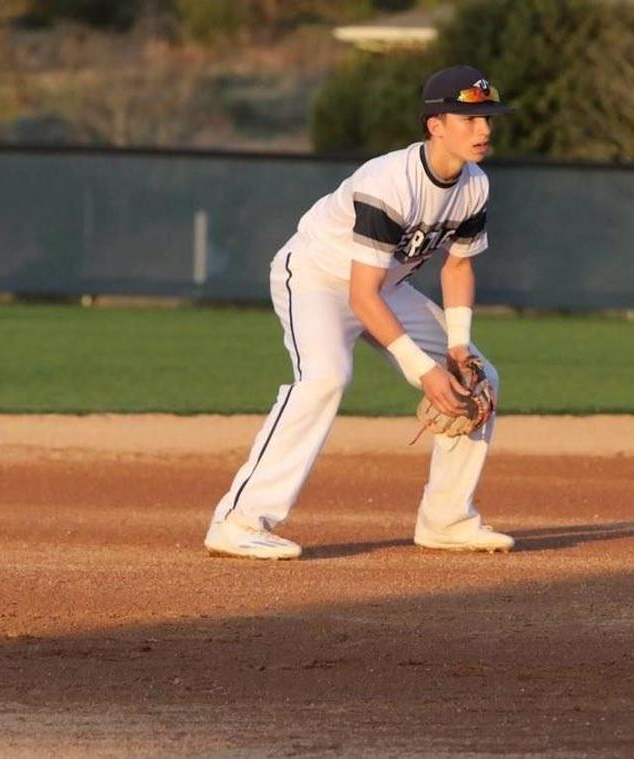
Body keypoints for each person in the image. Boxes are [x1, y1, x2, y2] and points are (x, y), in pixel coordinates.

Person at [203, 65, 515, 559]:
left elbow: (457, 268)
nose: (484, 130)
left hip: (384, 285)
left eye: (487, 118)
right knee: (325, 377)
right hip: (317, 277)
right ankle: (239, 521)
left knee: (480, 378)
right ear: (435, 125)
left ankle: (447, 519)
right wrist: (425, 372)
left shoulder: (475, 185)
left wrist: (455, 348)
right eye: (469, 118)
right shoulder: (389, 183)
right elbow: (359, 296)